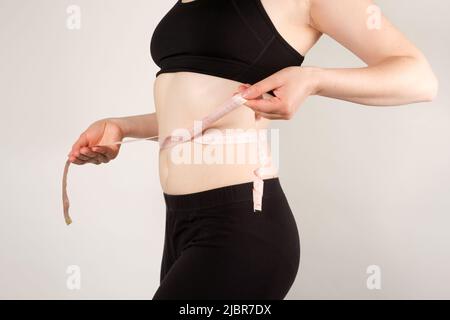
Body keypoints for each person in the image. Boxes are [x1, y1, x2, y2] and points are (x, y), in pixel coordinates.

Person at [67, 0, 438, 299]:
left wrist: (313, 80)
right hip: (180, 223)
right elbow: (202, 108)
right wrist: (123, 127)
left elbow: (419, 78)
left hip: (242, 229)